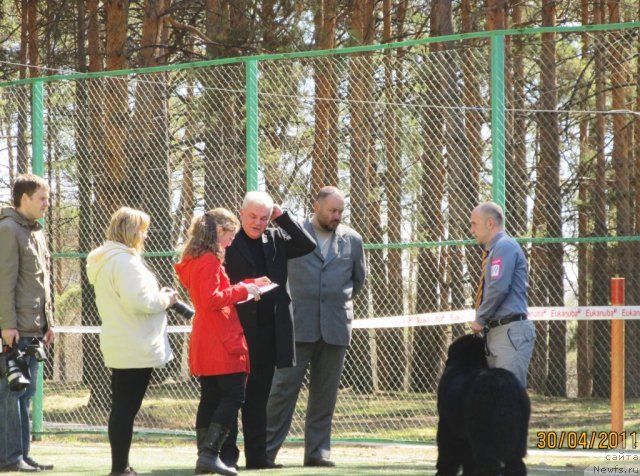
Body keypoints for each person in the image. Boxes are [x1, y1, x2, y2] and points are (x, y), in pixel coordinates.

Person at [266, 186, 366, 467]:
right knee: (282, 390)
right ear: (317, 207)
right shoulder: (293, 233)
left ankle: (318, 452)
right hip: (298, 324)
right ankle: (265, 450)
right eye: (332, 210)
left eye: (340, 212)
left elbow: (358, 281)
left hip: (335, 326)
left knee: (325, 395)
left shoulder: (353, 240)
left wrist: (335, 303)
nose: (337, 216)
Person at [222, 191, 315, 470]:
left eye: (264, 217)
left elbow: (306, 244)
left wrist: (281, 216)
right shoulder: (227, 242)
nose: (258, 222)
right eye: (252, 216)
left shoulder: (274, 237)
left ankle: (258, 458)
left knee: (258, 397)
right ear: (240, 214)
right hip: (235, 330)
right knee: (232, 397)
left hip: (270, 331)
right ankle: (226, 456)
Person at [87, 207, 178, 476]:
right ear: (131, 232)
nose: (146, 235)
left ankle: (121, 466)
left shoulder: (107, 259)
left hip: (121, 340)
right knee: (126, 408)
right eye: (143, 230)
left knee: (122, 407)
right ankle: (120, 468)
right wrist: (165, 299)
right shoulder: (126, 261)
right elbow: (141, 302)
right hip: (135, 343)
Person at [175, 209, 266, 476]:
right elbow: (210, 299)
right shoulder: (209, 260)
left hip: (208, 335)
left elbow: (212, 293)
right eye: (229, 236)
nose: (230, 243)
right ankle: (210, 454)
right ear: (219, 232)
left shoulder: (195, 259)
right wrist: (243, 290)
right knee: (234, 394)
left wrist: (248, 284)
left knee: (211, 397)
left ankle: (205, 455)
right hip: (220, 337)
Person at [0, 174, 55, 473]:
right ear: (24, 198)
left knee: (26, 394)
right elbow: (4, 281)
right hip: (16, 329)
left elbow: (42, 282)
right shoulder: (8, 230)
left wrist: (50, 322)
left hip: (35, 329)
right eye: (42, 198)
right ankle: (9, 457)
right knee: (12, 394)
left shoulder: (36, 232)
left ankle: (22, 454)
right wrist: (7, 325)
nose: (47, 203)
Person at [469, 201, 536, 387]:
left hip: (510, 332)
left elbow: (498, 287)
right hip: (498, 332)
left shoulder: (504, 247)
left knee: (508, 399)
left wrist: (480, 318)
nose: (471, 230)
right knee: (496, 401)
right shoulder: (494, 250)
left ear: (490, 223)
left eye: (474, 224)